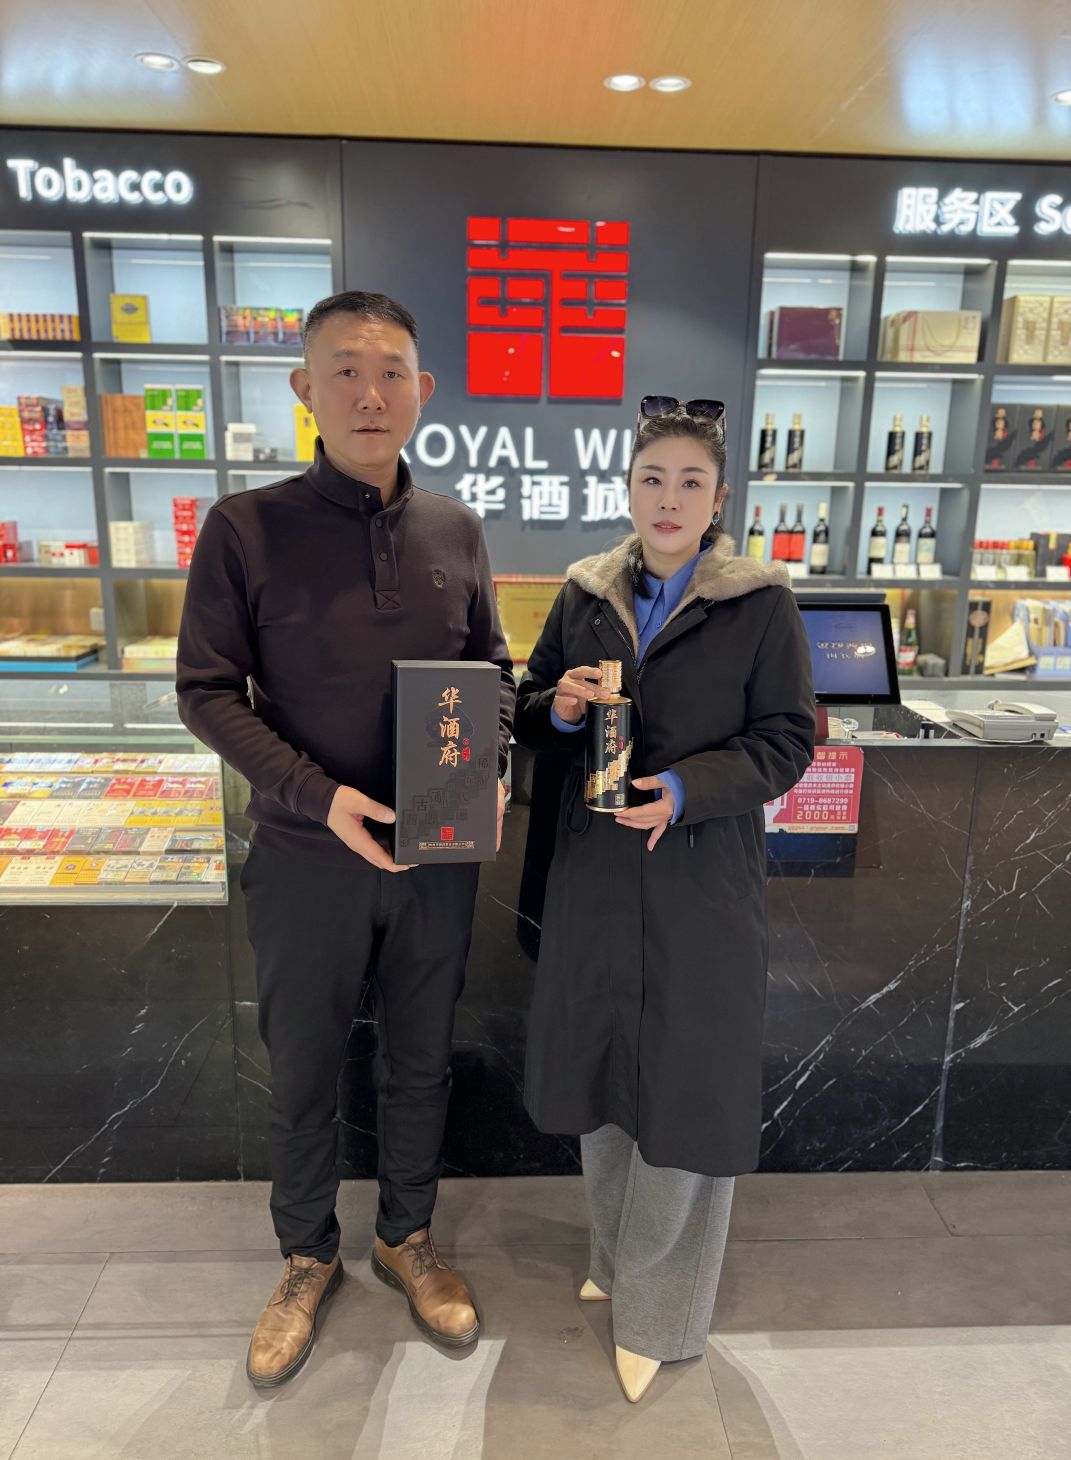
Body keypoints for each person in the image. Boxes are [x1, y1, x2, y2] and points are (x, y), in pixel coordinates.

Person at [176, 291, 514, 1388]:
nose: (371, 393)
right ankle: (305, 1254)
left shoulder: (456, 529)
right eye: (346, 371)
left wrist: (490, 766)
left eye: (392, 371)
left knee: (421, 1057)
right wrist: (317, 796)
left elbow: (490, 671)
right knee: (305, 1065)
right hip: (304, 853)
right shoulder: (245, 527)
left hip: (433, 857)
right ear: (304, 388)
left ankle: (406, 1236)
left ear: (424, 390)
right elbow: (205, 690)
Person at [513, 397, 815, 1402]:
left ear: (719, 499)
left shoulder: (759, 604)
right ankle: (614, 1260)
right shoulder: (586, 592)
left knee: (684, 1096)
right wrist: (560, 707)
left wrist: (685, 789)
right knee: (602, 1081)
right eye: (653, 478)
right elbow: (531, 707)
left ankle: (660, 1316)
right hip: (593, 879)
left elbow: (788, 740)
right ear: (628, 490)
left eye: (691, 481)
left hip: (697, 881)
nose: (669, 498)